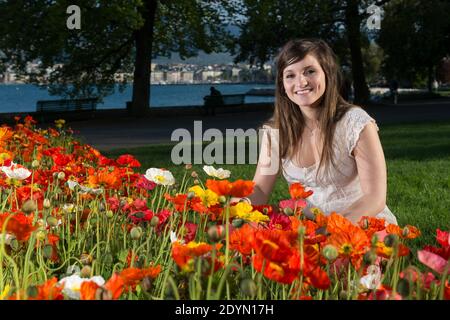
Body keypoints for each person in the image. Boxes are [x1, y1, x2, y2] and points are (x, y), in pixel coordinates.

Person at [243, 39, 397, 225]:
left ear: (327, 74)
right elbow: (260, 189)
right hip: (309, 223)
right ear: (282, 85)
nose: (301, 82)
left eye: (310, 71)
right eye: (290, 75)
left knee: (335, 254)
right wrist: (237, 205)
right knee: (241, 228)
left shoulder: (356, 123)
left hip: (360, 222)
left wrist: (330, 231)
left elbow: (374, 199)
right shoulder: (275, 132)